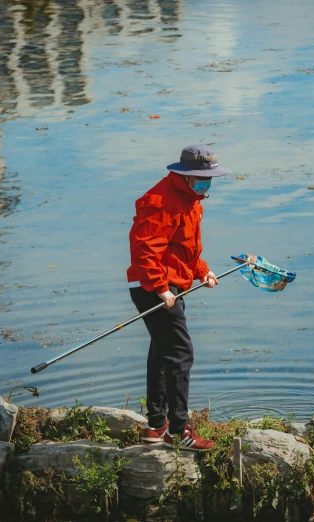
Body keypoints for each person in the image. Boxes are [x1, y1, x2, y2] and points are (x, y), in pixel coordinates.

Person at [127, 144, 229, 451]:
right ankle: (179, 431)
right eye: (202, 178)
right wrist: (160, 287)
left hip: (171, 283)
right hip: (152, 286)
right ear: (185, 176)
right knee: (180, 354)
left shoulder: (191, 199)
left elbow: (185, 246)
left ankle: (156, 426)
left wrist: (202, 271)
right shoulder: (161, 201)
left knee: (162, 353)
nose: (207, 184)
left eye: (209, 178)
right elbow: (144, 248)